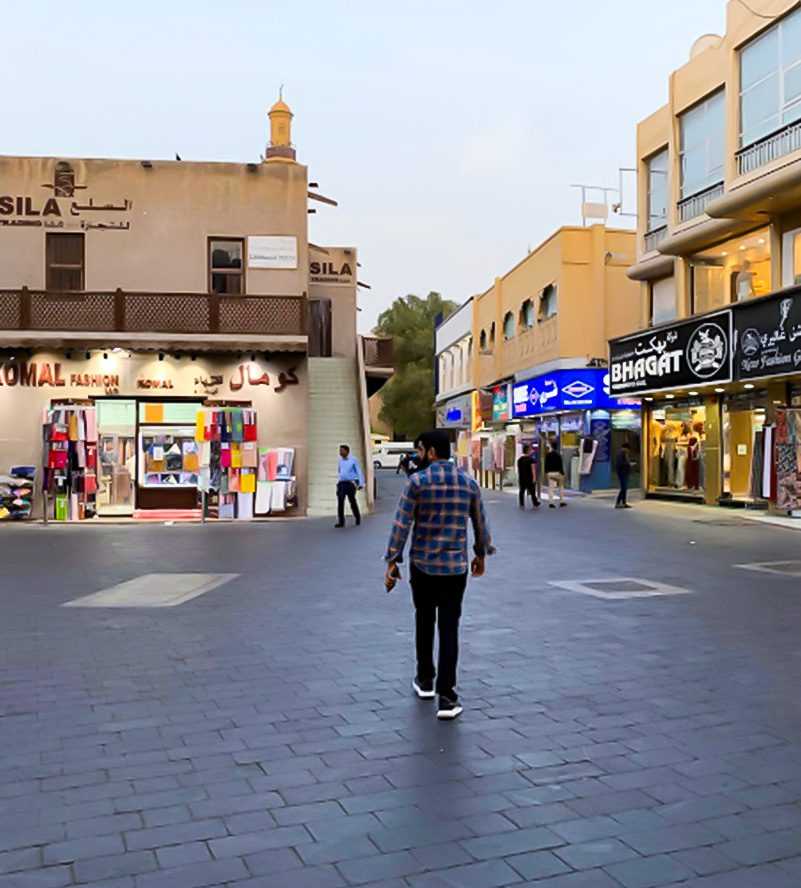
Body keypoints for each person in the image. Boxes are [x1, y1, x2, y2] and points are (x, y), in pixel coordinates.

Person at [384, 430, 493, 720]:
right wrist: (480, 553)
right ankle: (447, 696)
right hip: (455, 569)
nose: (418, 456)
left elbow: (401, 524)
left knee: (423, 619)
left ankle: (425, 680)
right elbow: (480, 523)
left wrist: (392, 561)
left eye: (420, 450)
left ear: (431, 452)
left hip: (422, 566)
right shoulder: (468, 483)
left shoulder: (416, 483)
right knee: (449, 627)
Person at [335, 444, 364, 528]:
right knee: (340, 501)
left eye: (342, 450)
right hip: (341, 483)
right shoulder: (340, 460)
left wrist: (361, 483)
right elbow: (340, 470)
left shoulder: (353, 460)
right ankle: (341, 521)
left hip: (350, 483)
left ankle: (357, 517)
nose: (340, 452)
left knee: (352, 501)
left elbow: (358, 472)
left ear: (347, 451)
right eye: (340, 450)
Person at [517, 444, 539, 509]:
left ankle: (521, 503)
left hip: (521, 477)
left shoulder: (519, 460)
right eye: (530, 450)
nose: (532, 451)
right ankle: (535, 502)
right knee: (532, 491)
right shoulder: (531, 460)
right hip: (529, 478)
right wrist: (534, 478)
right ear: (528, 451)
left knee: (521, 491)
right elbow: (533, 469)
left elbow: (519, 469)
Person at [544, 441, 566, 508]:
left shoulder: (548, 455)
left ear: (551, 446)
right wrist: (563, 473)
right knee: (561, 487)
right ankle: (561, 501)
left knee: (551, 488)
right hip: (557, 473)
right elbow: (560, 465)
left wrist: (546, 473)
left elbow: (546, 465)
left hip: (550, 473)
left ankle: (551, 503)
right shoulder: (558, 455)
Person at [615, 441, 633, 509]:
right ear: (625, 448)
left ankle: (623, 503)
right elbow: (620, 464)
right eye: (628, 449)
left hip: (624, 472)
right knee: (623, 488)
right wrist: (628, 464)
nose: (628, 451)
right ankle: (618, 503)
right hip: (622, 473)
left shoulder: (623, 453)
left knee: (624, 488)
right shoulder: (621, 453)